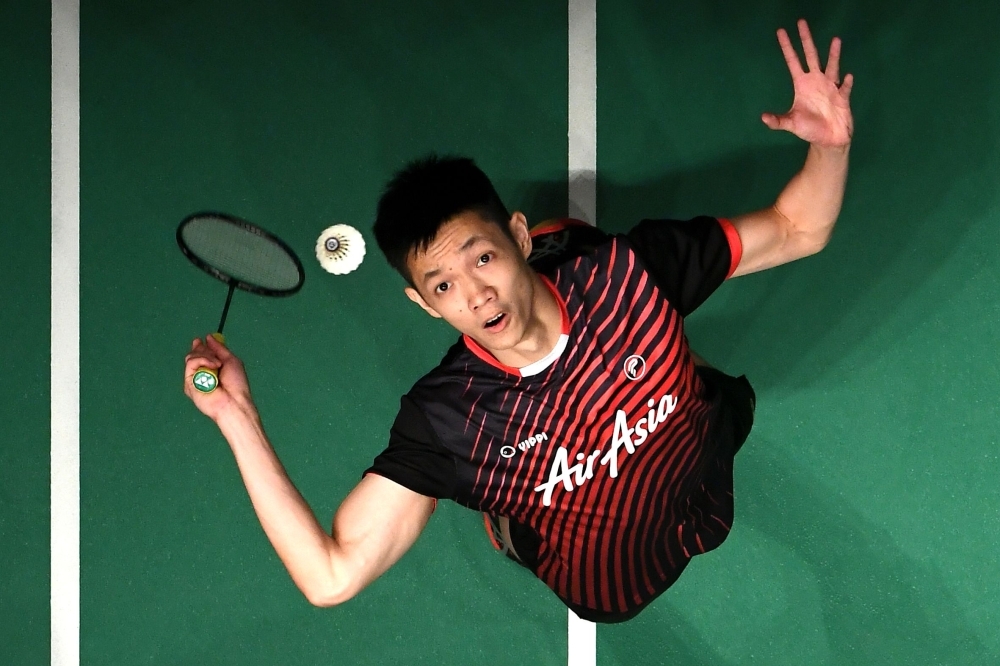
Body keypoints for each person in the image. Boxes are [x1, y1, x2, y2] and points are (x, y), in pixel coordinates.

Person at [183, 18, 853, 623]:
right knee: (553, 504)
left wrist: (829, 146)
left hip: (699, 460)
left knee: (678, 355)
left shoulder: (629, 274)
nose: (474, 296)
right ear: (423, 304)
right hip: (606, 581)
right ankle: (507, 520)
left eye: (483, 258)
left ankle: (581, 268)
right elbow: (331, 576)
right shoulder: (448, 422)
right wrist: (236, 417)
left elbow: (799, 228)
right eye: (443, 285)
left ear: (517, 237)